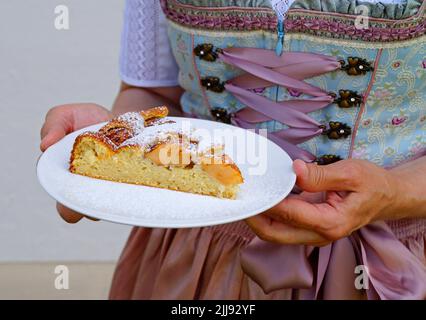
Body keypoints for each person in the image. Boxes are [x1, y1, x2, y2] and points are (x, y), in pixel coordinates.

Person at [40, 0, 426, 299]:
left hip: (390, 256)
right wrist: (113, 140)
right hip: (202, 251)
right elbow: (156, 94)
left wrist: (393, 193)